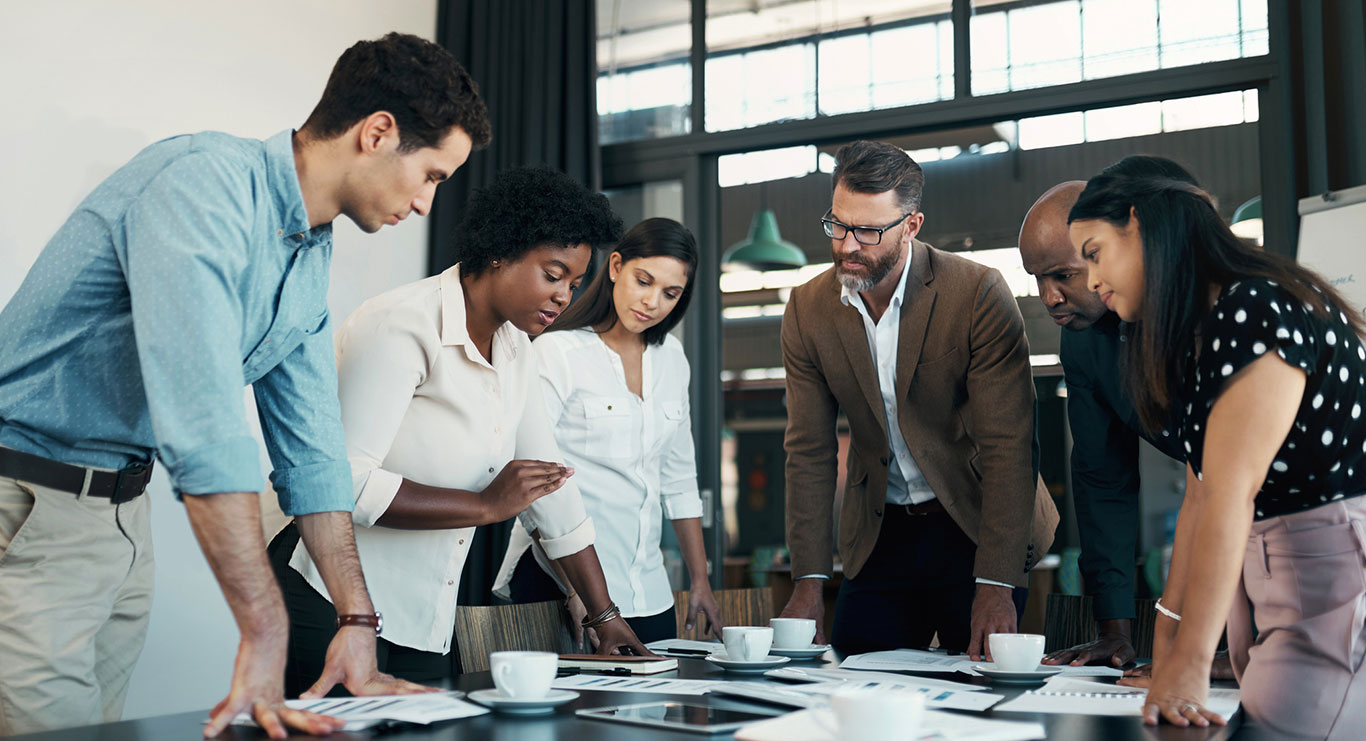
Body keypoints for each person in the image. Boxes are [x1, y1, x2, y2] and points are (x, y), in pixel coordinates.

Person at [0, 33, 490, 739]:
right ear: (378, 133)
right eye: (432, 175)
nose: (430, 203)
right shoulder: (203, 184)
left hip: (122, 515)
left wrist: (357, 621)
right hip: (28, 503)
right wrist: (265, 627)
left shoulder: (307, 251)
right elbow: (204, 424)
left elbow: (313, 458)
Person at [268, 166, 653, 695]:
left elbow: (552, 488)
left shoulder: (517, 350)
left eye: (575, 283)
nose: (565, 296)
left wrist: (604, 615)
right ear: (501, 251)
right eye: (553, 273)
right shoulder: (401, 324)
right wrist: (484, 507)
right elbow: (342, 481)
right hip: (327, 597)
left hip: (421, 609)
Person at [1069, 161, 1366, 741]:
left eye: (1095, 253)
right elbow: (1200, 496)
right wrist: (1169, 645)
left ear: (1140, 222)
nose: (1092, 279)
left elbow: (1230, 500)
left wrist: (1184, 666)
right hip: (1277, 597)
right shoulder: (1207, 328)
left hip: (1335, 596)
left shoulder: (1257, 308)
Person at [778, 140, 1058, 659]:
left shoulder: (976, 293)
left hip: (975, 523)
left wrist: (997, 584)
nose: (846, 245)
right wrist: (809, 579)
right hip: (879, 531)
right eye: (837, 224)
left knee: (984, 695)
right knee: (857, 683)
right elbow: (809, 453)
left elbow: (1009, 445)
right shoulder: (807, 309)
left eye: (868, 230)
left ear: (912, 225)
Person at [493, 218, 725, 646]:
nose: (652, 302)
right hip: (560, 588)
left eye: (670, 293)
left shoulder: (673, 358)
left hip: (649, 594)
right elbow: (534, 480)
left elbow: (678, 478)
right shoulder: (556, 352)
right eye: (644, 280)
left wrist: (700, 581)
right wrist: (580, 591)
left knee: (655, 712)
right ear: (616, 266)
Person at [1019, 160, 1193, 668]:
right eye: (1037, 279)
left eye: (1065, 274)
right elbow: (1103, 482)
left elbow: (1225, 485)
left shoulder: (1198, 315)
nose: (1049, 297)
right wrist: (1114, 629)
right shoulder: (1081, 344)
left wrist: (1182, 640)